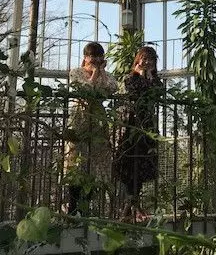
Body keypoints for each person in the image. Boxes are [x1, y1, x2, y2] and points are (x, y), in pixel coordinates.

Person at [65, 42, 117, 215]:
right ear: (85, 57)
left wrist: (101, 72)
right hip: (80, 117)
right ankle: (73, 207)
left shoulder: (106, 75)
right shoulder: (76, 72)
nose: (96, 59)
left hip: (97, 119)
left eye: (99, 56)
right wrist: (94, 74)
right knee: (76, 160)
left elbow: (112, 88)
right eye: (92, 56)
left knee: (95, 162)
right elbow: (84, 90)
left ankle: (87, 207)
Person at [114, 46, 162, 222]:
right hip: (132, 126)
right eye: (144, 58)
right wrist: (141, 75)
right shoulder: (130, 78)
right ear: (137, 60)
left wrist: (149, 77)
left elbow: (158, 93)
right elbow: (136, 93)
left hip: (147, 126)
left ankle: (131, 207)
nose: (147, 62)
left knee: (141, 165)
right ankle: (132, 207)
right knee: (130, 164)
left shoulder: (155, 80)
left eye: (151, 60)